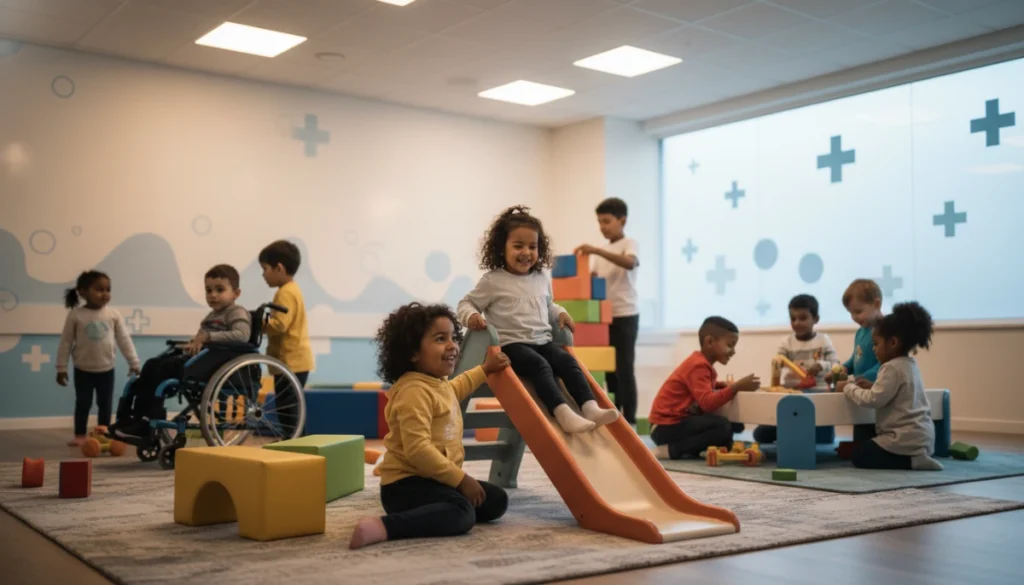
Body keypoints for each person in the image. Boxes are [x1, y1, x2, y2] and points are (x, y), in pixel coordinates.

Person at [349, 303, 511, 549]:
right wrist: (460, 479)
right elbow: (418, 450)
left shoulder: (438, 384)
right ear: (413, 352)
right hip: (405, 486)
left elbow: (459, 387)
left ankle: (441, 512)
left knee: (496, 500)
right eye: (440, 339)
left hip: (434, 480)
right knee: (462, 513)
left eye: (453, 338)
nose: (452, 345)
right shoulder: (413, 391)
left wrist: (485, 369)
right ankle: (385, 526)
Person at [457, 205, 619, 434]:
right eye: (518, 246)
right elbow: (466, 303)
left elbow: (548, 304)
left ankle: (590, 407)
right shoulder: (493, 281)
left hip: (542, 341)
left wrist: (560, 313)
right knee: (539, 366)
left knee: (568, 362)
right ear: (501, 248)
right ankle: (562, 413)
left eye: (533, 246)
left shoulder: (541, 278)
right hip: (511, 345)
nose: (526, 252)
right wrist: (471, 315)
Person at [110, 264, 251, 440]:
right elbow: (204, 340)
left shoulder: (236, 312)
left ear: (236, 293)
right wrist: (192, 343)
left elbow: (242, 335)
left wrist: (207, 337)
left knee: (164, 368)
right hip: (201, 360)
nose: (213, 295)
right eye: (209, 290)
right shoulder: (210, 316)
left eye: (220, 289)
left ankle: (149, 420)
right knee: (152, 365)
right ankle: (133, 418)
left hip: (215, 365)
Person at [843, 302, 943, 471]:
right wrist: (874, 384)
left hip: (902, 440)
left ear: (893, 343)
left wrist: (849, 387)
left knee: (860, 455)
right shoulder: (910, 365)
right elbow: (895, 391)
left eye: (876, 344)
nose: (874, 349)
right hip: (922, 437)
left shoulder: (890, 367)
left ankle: (911, 462)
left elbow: (873, 399)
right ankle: (918, 457)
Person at [649, 316, 760, 460]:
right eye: (730, 345)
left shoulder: (701, 364)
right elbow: (707, 403)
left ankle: (708, 447)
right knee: (721, 426)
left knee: (734, 425)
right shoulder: (698, 365)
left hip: (675, 423)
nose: (733, 351)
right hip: (665, 427)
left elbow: (701, 386)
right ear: (709, 342)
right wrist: (735, 387)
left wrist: (724, 385)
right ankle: (672, 450)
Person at [575, 197, 640, 424]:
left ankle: (629, 418)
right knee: (609, 368)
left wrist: (596, 251)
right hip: (604, 317)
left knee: (624, 366)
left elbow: (630, 263)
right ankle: (616, 415)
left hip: (625, 313)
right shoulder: (601, 252)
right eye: (600, 222)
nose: (603, 227)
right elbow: (593, 280)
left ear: (622, 220)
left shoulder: (629, 243)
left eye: (607, 221)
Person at [56, 270, 140, 446]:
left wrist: (134, 363)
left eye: (108, 289)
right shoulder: (75, 315)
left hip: (106, 369)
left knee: (105, 404)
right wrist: (61, 368)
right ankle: (80, 435)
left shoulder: (113, 315)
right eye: (99, 289)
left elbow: (124, 340)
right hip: (83, 369)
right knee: (83, 403)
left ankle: (104, 434)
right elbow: (66, 342)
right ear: (83, 292)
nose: (105, 294)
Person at [753, 294, 839, 444]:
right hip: (795, 393)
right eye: (793, 319)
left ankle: (803, 433)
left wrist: (821, 365)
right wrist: (780, 366)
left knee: (823, 439)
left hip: (819, 393)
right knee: (762, 434)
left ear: (816, 319)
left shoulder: (823, 340)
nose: (797, 323)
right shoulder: (786, 342)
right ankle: (788, 432)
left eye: (803, 318)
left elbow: (835, 364)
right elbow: (777, 362)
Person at [259, 240, 314, 436]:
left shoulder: (285, 293)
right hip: (294, 360)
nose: (262, 274)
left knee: (288, 407)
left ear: (279, 268)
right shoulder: (292, 289)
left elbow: (280, 325)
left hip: (290, 360)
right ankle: (294, 440)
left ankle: (297, 441)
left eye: (265, 269)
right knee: (289, 406)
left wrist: (258, 324)